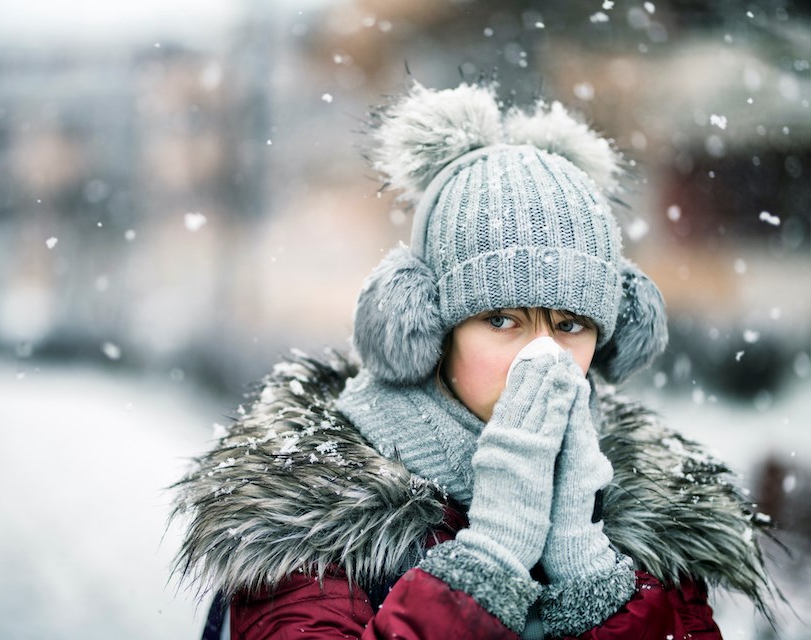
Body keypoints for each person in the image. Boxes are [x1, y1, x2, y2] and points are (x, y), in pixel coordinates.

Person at [169, 80, 775, 639]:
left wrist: (593, 579)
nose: (543, 354)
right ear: (423, 325)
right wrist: (491, 561)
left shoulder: (645, 521)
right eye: (502, 320)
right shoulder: (315, 524)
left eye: (570, 324)